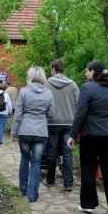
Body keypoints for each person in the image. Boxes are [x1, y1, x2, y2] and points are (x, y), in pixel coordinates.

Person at [67, 60, 108, 214]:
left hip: (91, 135)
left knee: (88, 168)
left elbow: (80, 114)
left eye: (87, 71)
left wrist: (72, 135)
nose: (85, 73)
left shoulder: (87, 88)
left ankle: (88, 205)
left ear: (93, 71)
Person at [11, 67, 55, 202]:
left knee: (24, 159)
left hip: (25, 130)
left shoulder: (24, 91)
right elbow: (52, 114)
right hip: (41, 132)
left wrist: (13, 131)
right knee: (36, 162)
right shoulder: (48, 93)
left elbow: (18, 114)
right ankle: (32, 195)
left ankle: (23, 188)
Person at [44, 59, 79, 191]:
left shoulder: (47, 84)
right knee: (67, 152)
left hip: (52, 122)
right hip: (69, 123)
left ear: (53, 69)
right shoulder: (73, 84)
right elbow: (79, 105)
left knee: (51, 150)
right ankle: (68, 183)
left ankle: (50, 179)